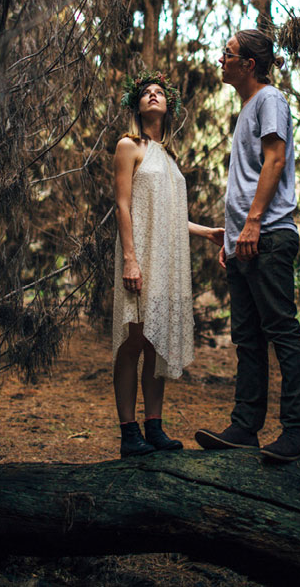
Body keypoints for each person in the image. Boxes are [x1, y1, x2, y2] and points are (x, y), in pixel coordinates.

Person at [195, 30, 300, 462]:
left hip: (268, 235)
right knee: (247, 338)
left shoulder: (270, 100)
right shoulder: (248, 107)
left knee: (281, 329)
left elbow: (275, 160)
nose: (220, 59)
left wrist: (253, 223)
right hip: (243, 242)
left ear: (248, 64)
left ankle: (297, 433)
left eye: (227, 54)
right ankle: (245, 427)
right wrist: (231, 238)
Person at [113, 69, 223, 458]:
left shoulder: (170, 157)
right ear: (137, 105)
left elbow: (171, 216)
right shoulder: (129, 146)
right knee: (134, 340)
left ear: (168, 105)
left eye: (159, 92)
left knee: (155, 343)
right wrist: (130, 260)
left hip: (166, 261)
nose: (153, 95)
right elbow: (123, 205)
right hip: (140, 254)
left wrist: (207, 232)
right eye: (146, 92)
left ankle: (154, 427)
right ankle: (129, 433)